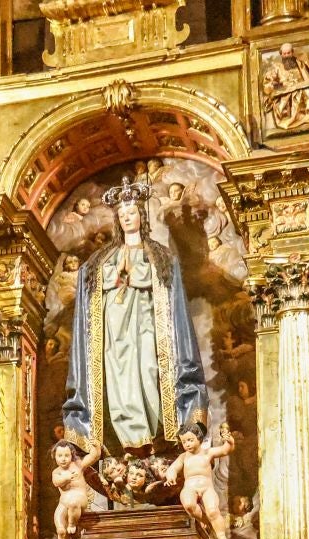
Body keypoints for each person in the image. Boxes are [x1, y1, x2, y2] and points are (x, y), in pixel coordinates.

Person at [60, 176, 207, 452]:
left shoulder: (160, 256)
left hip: (148, 327)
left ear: (142, 216)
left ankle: (155, 436)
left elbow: (168, 292)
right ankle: (129, 441)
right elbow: (89, 285)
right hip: (115, 333)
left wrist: (133, 272)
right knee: (119, 381)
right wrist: (117, 272)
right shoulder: (102, 260)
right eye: (123, 214)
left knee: (150, 371)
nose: (128, 218)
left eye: (132, 213)